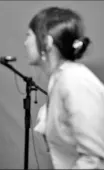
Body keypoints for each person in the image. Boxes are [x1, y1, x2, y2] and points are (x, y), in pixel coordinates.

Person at [24, 6, 104, 169]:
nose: (25, 43)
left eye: (29, 36)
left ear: (47, 41)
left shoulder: (75, 80)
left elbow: (94, 160)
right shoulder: (59, 79)